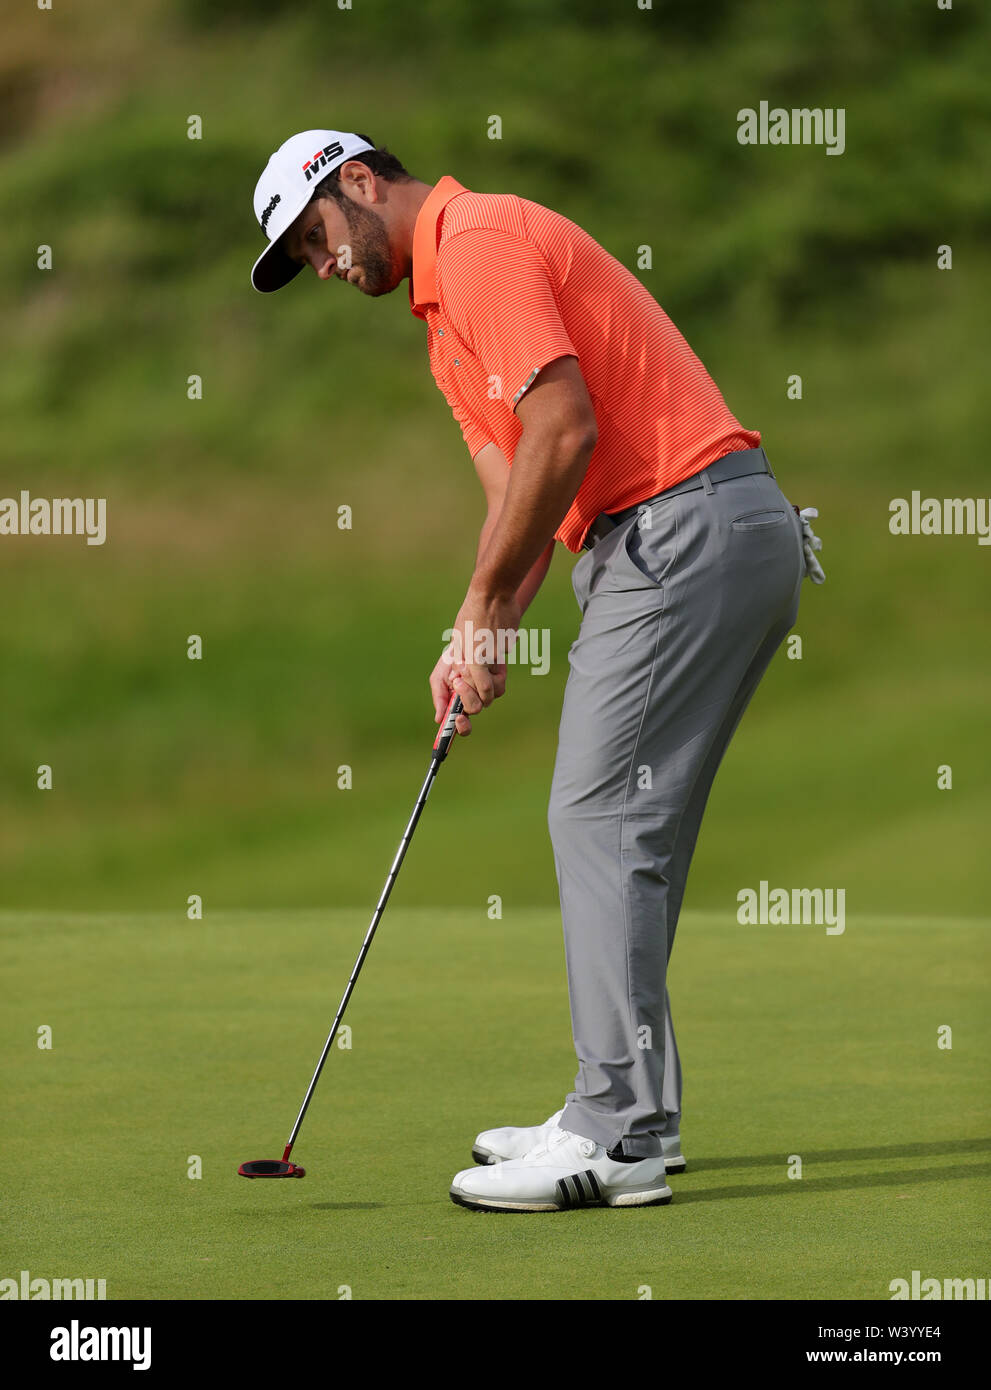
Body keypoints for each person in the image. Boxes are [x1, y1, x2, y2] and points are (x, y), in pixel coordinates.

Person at [250, 128, 821, 1213]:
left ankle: (619, 1132)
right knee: (626, 833)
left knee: (597, 819)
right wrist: (483, 631)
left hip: (680, 526)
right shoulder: (439, 331)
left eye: (314, 237)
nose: (322, 267)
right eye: (300, 263)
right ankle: (626, 1107)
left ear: (358, 183)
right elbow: (532, 493)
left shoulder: (481, 239)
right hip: (695, 533)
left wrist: (480, 608)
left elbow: (563, 426)